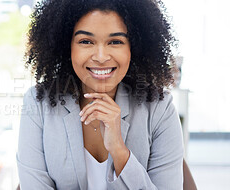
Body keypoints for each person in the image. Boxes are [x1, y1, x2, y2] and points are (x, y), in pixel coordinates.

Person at [16, 0, 184, 189]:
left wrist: (119, 151)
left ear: (134, 47)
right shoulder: (38, 103)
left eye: (115, 41)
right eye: (86, 41)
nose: (101, 57)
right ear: (66, 46)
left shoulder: (160, 108)